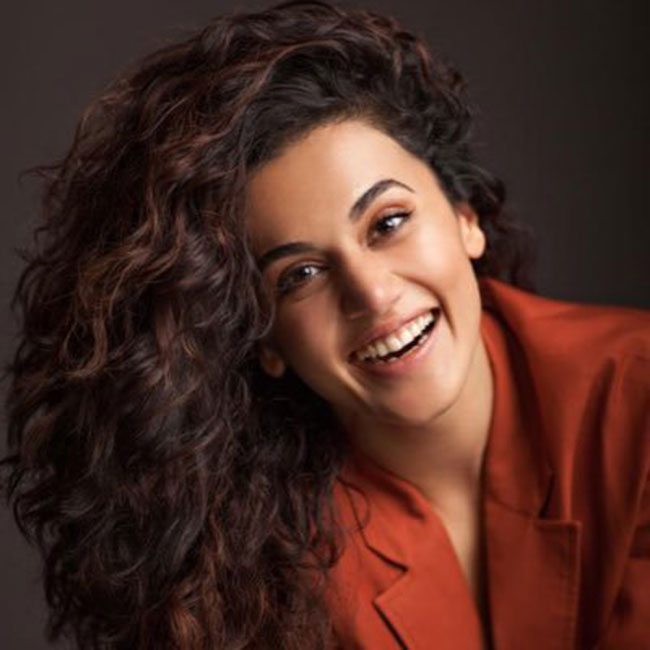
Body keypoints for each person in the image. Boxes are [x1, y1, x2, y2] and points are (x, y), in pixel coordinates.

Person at [2, 1, 648, 649]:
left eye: (388, 223)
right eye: (301, 274)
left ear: (465, 218)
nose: (371, 294)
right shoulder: (254, 559)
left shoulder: (636, 398)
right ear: (266, 341)